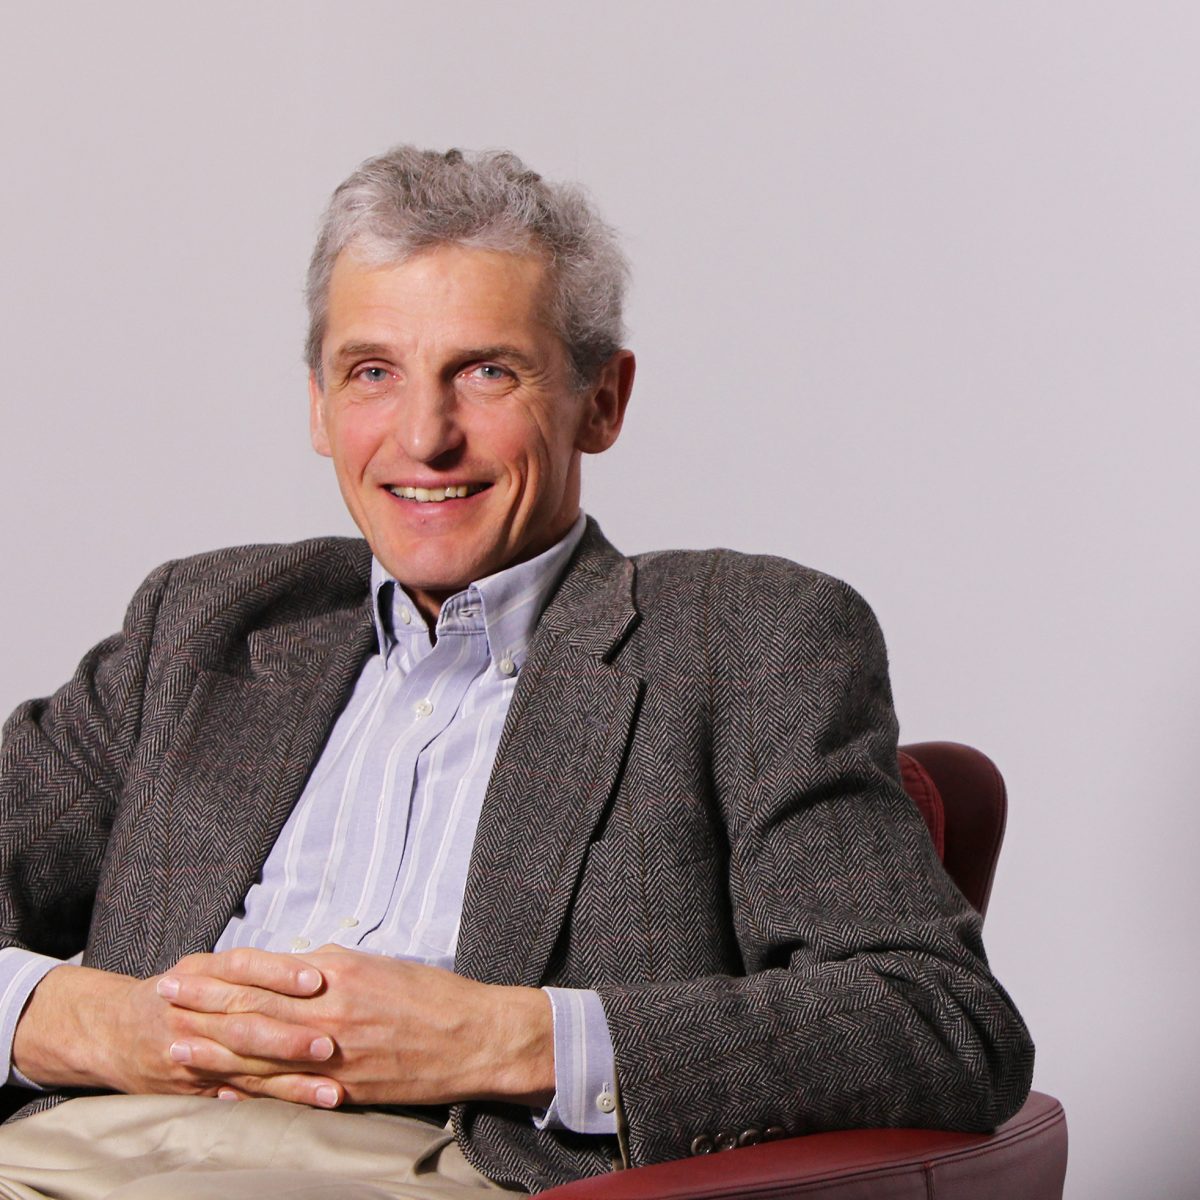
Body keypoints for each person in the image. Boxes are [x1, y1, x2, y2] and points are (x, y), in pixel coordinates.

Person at [0, 147, 1033, 1198]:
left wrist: (501, 1038)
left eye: (487, 371)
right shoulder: (205, 625)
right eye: (372, 373)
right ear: (317, 405)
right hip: (75, 1145)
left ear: (603, 401)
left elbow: (938, 1021)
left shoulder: (748, 639)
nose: (423, 436)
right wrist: (72, 1021)